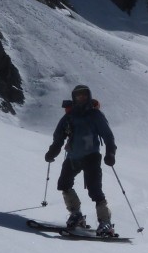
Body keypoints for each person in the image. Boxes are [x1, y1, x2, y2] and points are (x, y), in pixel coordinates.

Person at [44, 85, 118, 237]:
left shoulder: (95, 115)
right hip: (73, 157)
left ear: (88, 96)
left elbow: (108, 136)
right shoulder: (69, 116)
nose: (81, 98)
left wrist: (110, 153)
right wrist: (53, 152)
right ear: (74, 97)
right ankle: (76, 214)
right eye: (78, 96)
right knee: (63, 184)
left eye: (84, 95)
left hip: (91, 156)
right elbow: (59, 137)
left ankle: (105, 222)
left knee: (95, 190)